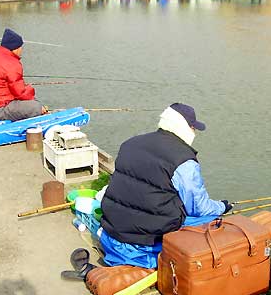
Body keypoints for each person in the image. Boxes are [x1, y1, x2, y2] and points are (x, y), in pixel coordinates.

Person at [99, 103, 230, 269]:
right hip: (143, 244)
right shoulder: (183, 161)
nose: (194, 132)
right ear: (186, 128)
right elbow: (199, 207)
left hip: (111, 236)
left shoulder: (130, 143)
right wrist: (222, 206)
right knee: (214, 221)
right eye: (193, 127)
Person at [0, 28, 47, 121]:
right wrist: (31, 91)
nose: (21, 50)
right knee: (35, 106)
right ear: (15, 48)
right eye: (21, 47)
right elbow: (20, 93)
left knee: (30, 102)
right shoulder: (12, 63)